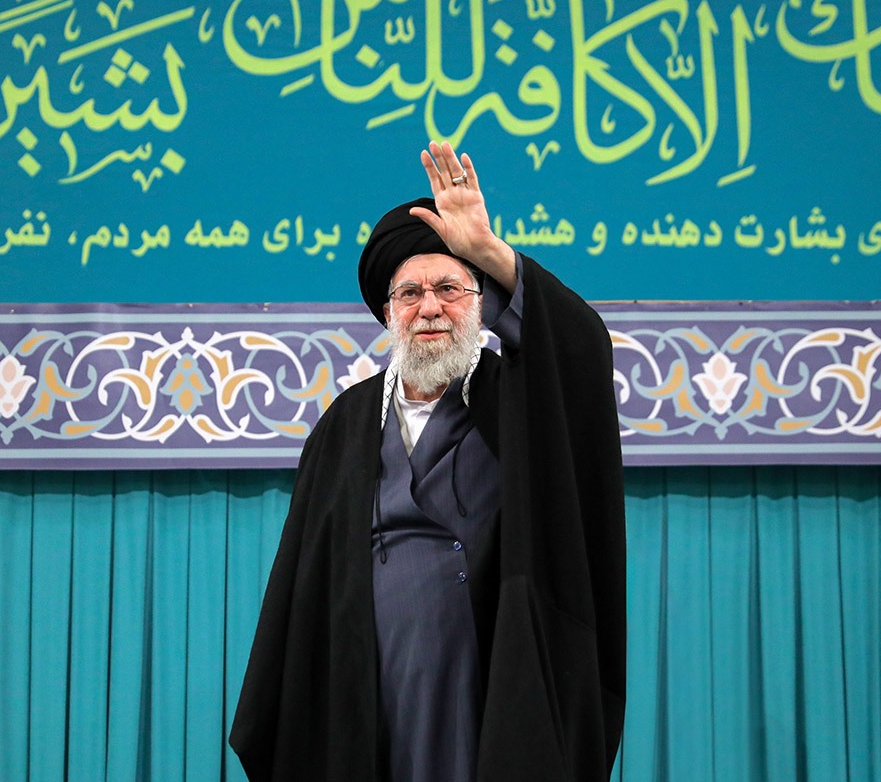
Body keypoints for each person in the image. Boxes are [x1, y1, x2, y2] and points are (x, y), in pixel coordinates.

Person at [229, 142, 626, 782]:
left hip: (491, 687)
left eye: (449, 288)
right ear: (389, 313)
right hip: (371, 694)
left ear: (482, 303)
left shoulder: (517, 400)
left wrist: (488, 251)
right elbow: (307, 587)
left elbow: (581, 349)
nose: (430, 307)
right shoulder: (345, 424)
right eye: (410, 293)